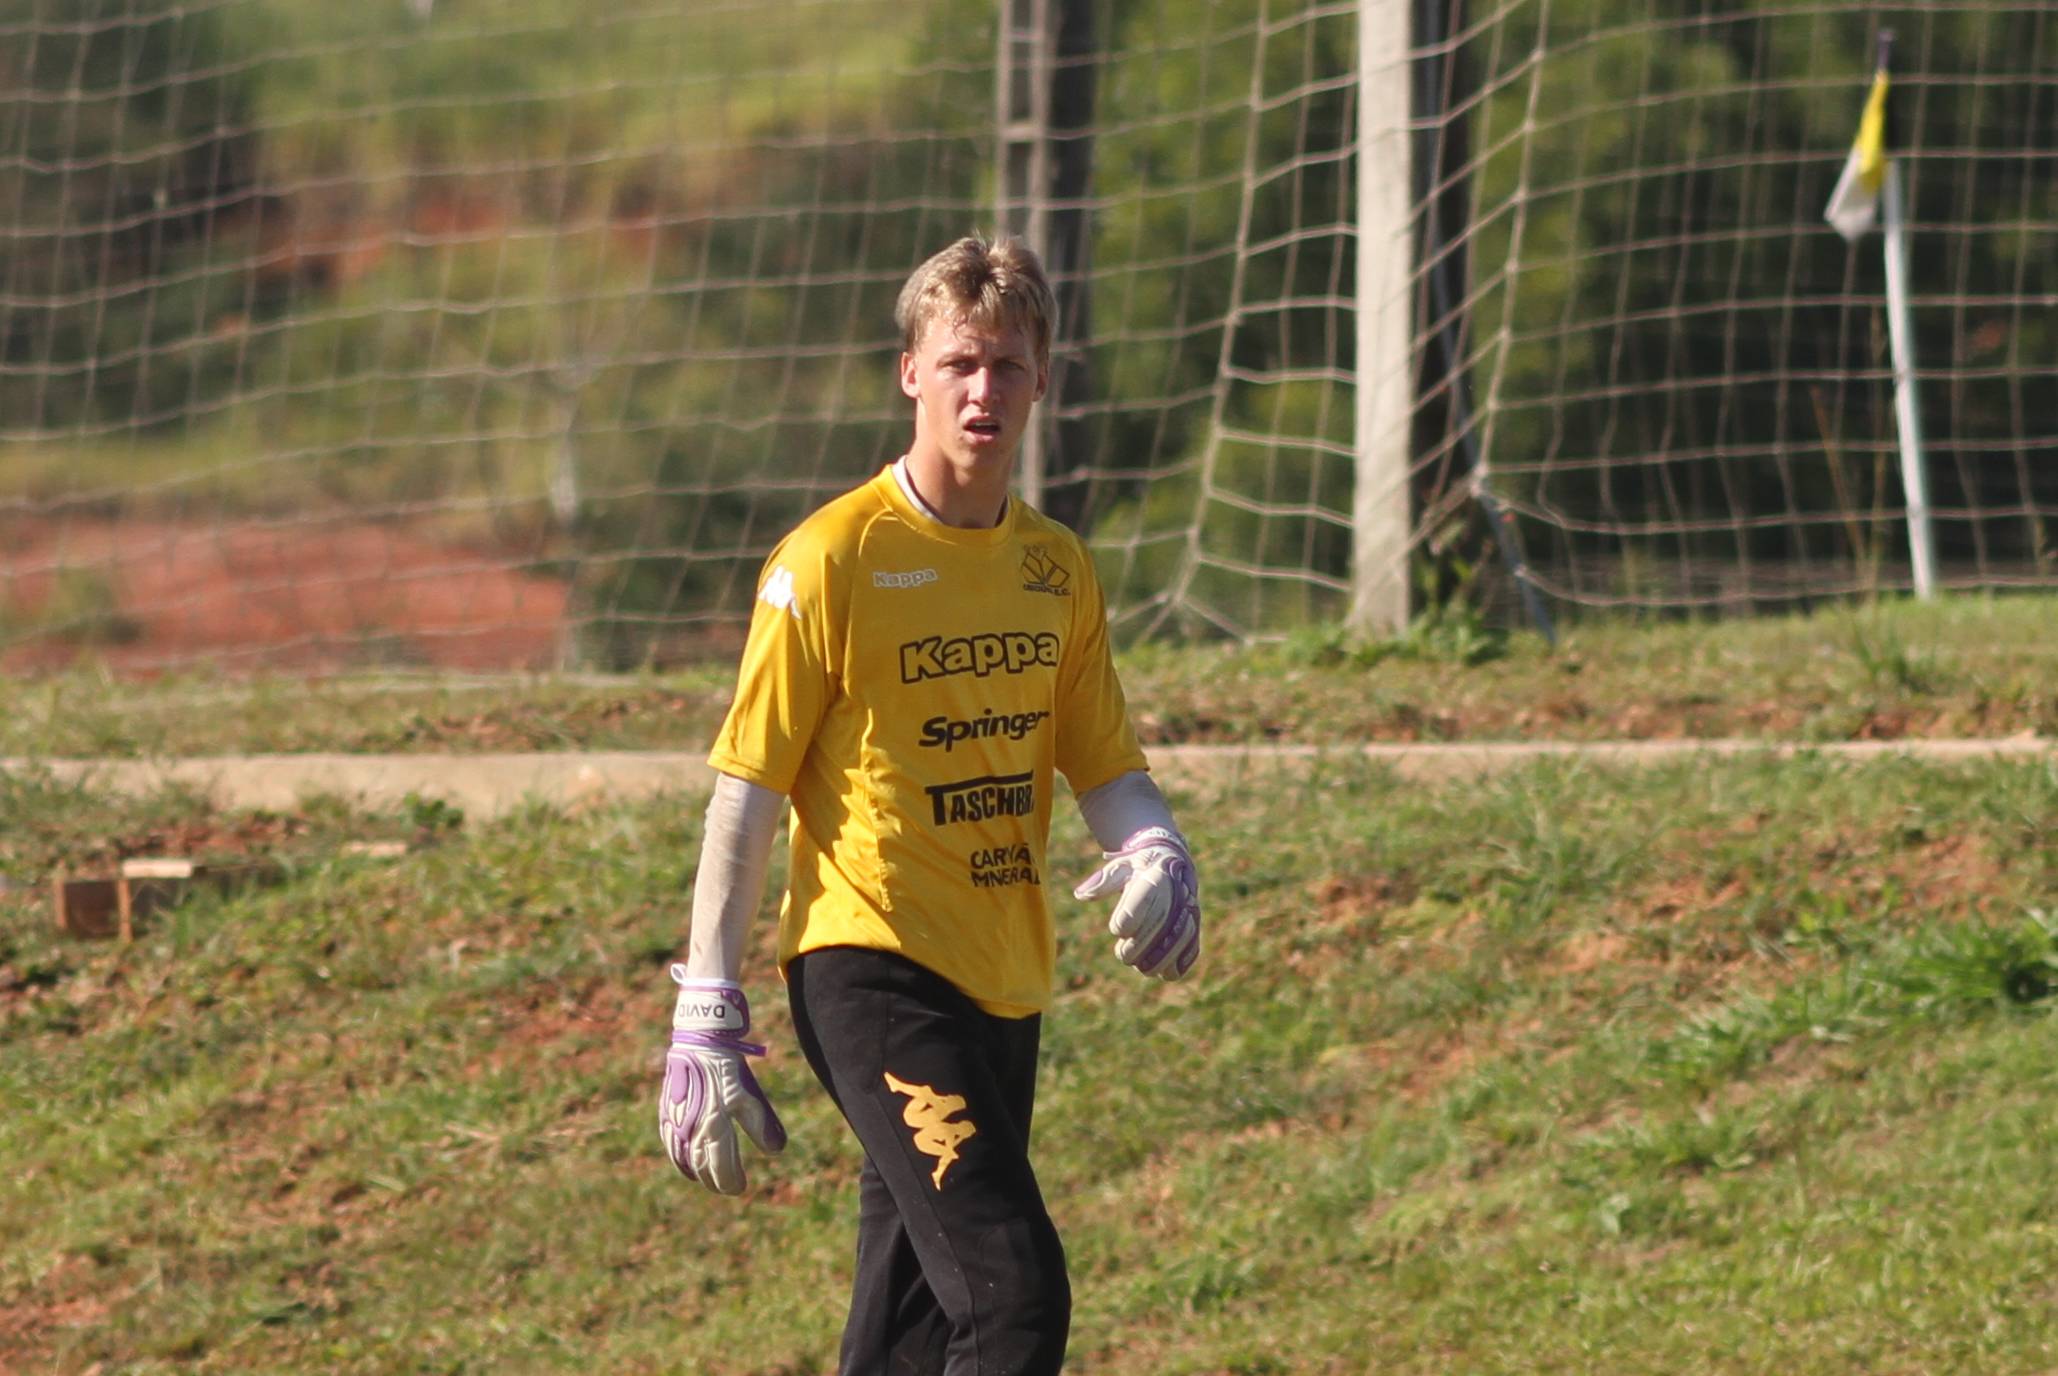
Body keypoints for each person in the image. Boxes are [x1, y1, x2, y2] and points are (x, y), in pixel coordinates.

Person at [656, 234, 1202, 1376]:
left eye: (1006, 365)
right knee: (1013, 1296)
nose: (981, 389)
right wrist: (706, 1001)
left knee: (910, 1327)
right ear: (912, 372)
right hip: (874, 971)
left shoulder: (1056, 568)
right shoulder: (831, 559)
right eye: (958, 362)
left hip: (1003, 975)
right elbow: (746, 792)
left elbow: (1105, 765)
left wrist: (1155, 843)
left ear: (1041, 380)